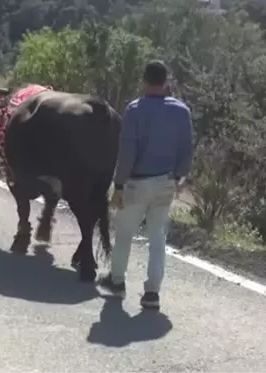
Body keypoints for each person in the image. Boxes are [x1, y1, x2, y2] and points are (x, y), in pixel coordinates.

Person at [98, 60, 194, 310]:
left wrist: (118, 185)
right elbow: (186, 150)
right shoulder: (181, 111)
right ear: (166, 82)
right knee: (157, 237)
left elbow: (127, 152)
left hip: (137, 183)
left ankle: (117, 281)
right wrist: (179, 178)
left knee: (125, 233)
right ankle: (152, 292)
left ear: (144, 80)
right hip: (166, 182)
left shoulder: (134, 110)